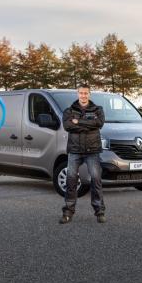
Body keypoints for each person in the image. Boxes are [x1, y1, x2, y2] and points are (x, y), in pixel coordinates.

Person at [60, 84, 106, 224]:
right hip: (74, 150)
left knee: (96, 179)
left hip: (92, 151)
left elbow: (99, 123)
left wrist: (78, 122)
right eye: (81, 93)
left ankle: (99, 212)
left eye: (86, 93)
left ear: (89, 94)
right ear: (77, 94)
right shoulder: (69, 110)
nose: (83, 95)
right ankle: (68, 212)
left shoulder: (98, 109)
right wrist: (88, 124)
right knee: (71, 181)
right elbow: (68, 126)